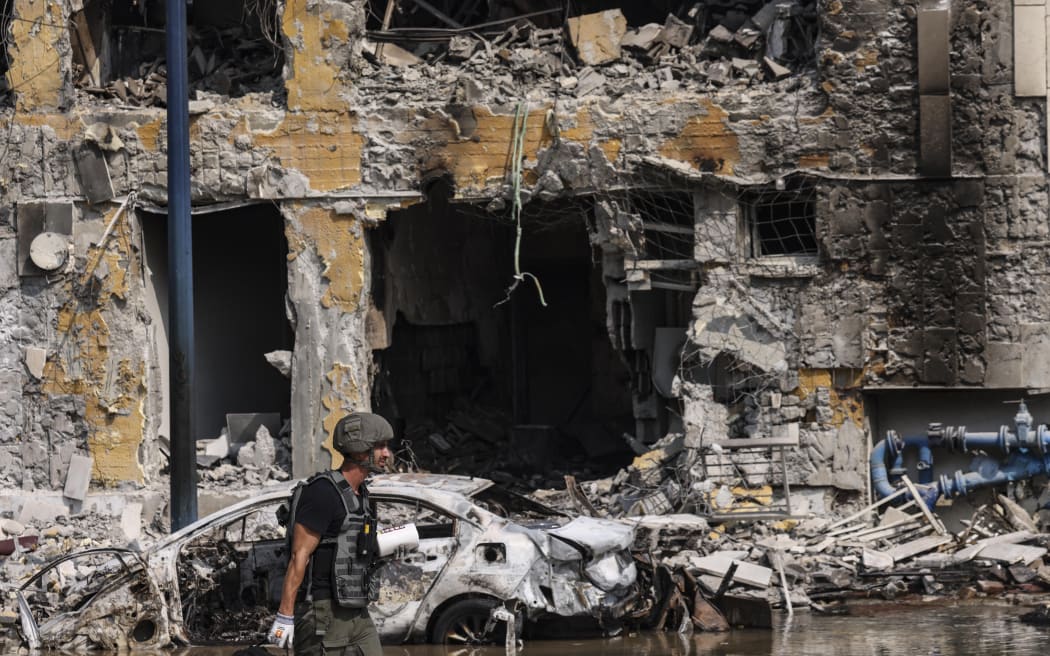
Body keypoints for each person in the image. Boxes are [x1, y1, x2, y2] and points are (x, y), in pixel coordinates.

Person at [268, 412, 394, 655]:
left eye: (386, 446)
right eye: (379, 447)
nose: (386, 454)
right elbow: (299, 556)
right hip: (322, 612)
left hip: (357, 610)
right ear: (359, 450)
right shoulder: (322, 493)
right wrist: (285, 615)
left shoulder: (363, 495)